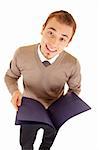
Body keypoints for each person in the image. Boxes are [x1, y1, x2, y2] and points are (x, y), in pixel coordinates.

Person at [4, 10, 81, 150]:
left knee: (47, 143)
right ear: (43, 29)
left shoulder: (72, 64)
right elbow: (10, 76)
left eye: (62, 38)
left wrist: (64, 107)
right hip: (28, 111)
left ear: (68, 42)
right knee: (25, 144)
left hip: (54, 114)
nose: (53, 43)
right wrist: (15, 92)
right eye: (51, 33)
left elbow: (75, 89)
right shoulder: (22, 54)